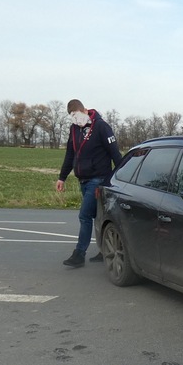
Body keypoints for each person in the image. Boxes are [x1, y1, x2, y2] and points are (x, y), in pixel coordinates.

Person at [56, 99, 123, 267]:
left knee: (84, 215)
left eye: (77, 116)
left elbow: (115, 153)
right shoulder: (74, 130)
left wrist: (121, 177)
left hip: (98, 179)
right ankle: (105, 249)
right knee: (97, 216)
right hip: (83, 179)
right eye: (72, 118)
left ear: (85, 110)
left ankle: (79, 254)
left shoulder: (101, 126)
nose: (76, 120)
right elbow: (70, 155)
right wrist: (62, 177)